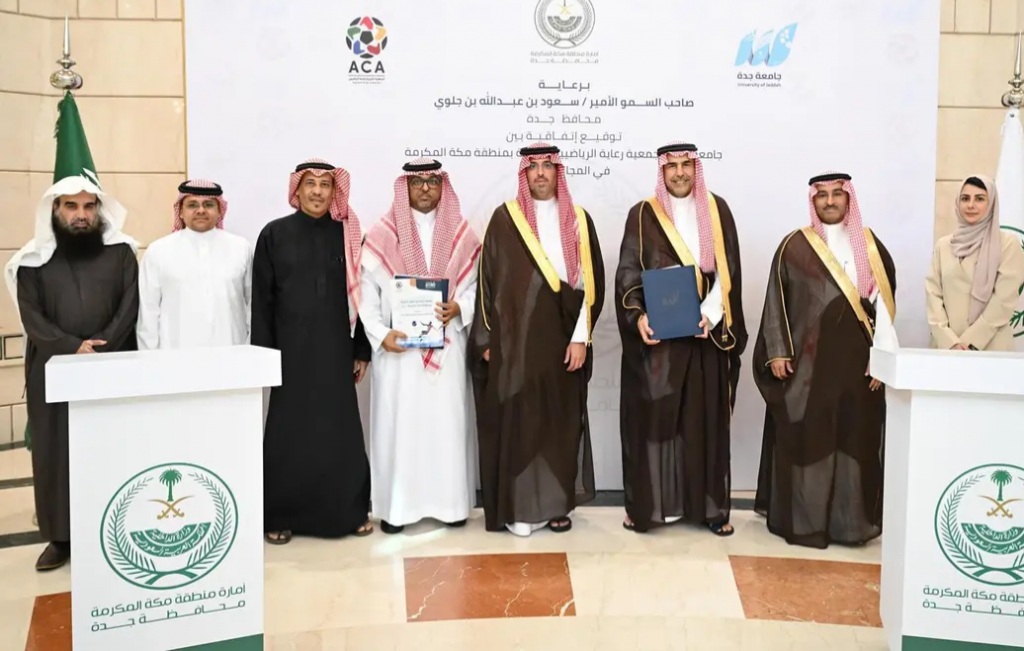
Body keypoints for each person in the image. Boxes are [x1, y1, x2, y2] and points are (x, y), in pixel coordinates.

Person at [3, 91, 139, 570]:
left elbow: (129, 307)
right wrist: (70, 347)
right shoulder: (32, 261)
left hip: (109, 365)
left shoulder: (121, 253)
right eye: (70, 206)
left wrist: (99, 346)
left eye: (87, 205)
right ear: (54, 210)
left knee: (109, 447)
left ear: (99, 209)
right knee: (55, 453)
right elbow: (32, 317)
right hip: (54, 369)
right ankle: (59, 537)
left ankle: (112, 527)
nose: (80, 214)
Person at [752, 171, 897, 549]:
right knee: (808, 441)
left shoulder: (870, 246)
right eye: (823, 195)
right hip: (807, 369)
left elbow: (884, 307)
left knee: (855, 442)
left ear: (849, 198)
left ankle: (850, 526)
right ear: (812, 200)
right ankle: (805, 523)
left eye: (837, 194)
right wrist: (777, 350)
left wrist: (881, 358)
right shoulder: (794, 246)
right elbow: (776, 299)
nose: (830, 201)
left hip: (857, 367)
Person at [469, 143, 605, 536]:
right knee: (520, 425)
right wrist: (486, 339)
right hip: (515, 347)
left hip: (562, 343)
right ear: (524, 173)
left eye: (548, 165)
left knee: (559, 426)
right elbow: (487, 281)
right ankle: (518, 508)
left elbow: (590, 285)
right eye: (534, 167)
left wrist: (580, 339)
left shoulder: (579, 220)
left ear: (558, 171)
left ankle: (557, 506)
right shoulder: (505, 219)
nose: (541, 173)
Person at [614, 142, 747, 536]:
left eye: (686, 164)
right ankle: (650, 509)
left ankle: (709, 509)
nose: (679, 173)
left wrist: (711, 314)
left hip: (705, 338)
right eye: (671, 166)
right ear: (662, 171)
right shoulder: (642, 214)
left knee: (703, 423)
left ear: (695, 168)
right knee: (654, 423)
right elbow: (628, 273)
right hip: (660, 341)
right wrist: (638, 317)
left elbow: (728, 271)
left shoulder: (717, 210)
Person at [252, 158, 373, 544]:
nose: (318, 191)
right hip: (289, 352)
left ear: (335, 191)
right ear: (297, 189)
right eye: (310, 184)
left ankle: (349, 513)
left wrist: (362, 349)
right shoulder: (274, 234)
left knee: (340, 431)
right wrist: (264, 357)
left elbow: (363, 298)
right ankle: (279, 515)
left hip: (336, 350)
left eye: (325, 184)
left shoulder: (348, 235)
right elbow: (262, 301)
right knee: (288, 432)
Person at [360, 158, 481, 533]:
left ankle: (451, 506)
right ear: (405, 187)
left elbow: (479, 287)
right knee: (400, 430)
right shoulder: (382, 235)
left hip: (448, 347)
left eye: (432, 181)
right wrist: (380, 334)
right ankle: (397, 510)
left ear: (443, 186)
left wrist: (460, 307)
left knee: (448, 427)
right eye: (417, 182)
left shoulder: (462, 234)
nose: (425, 188)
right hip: (399, 354)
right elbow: (365, 293)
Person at [137, 180, 252, 350]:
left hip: (231, 352)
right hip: (175, 356)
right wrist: (150, 359)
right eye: (192, 205)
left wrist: (248, 351)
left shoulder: (241, 248)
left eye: (208, 204)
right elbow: (148, 313)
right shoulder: (158, 251)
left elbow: (252, 306)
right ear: (180, 212)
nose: (201, 210)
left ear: (220, 211)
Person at [925, 174, 1024, 352]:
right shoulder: (944, 246)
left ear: (991, 203)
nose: (971, 205)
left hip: (991, 349)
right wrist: (950, 342)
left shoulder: (1007, 244)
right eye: (965, 198)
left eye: (979, 199)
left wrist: (968, 343)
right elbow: (933, 295)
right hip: (947, 350)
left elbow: (1003, 301)